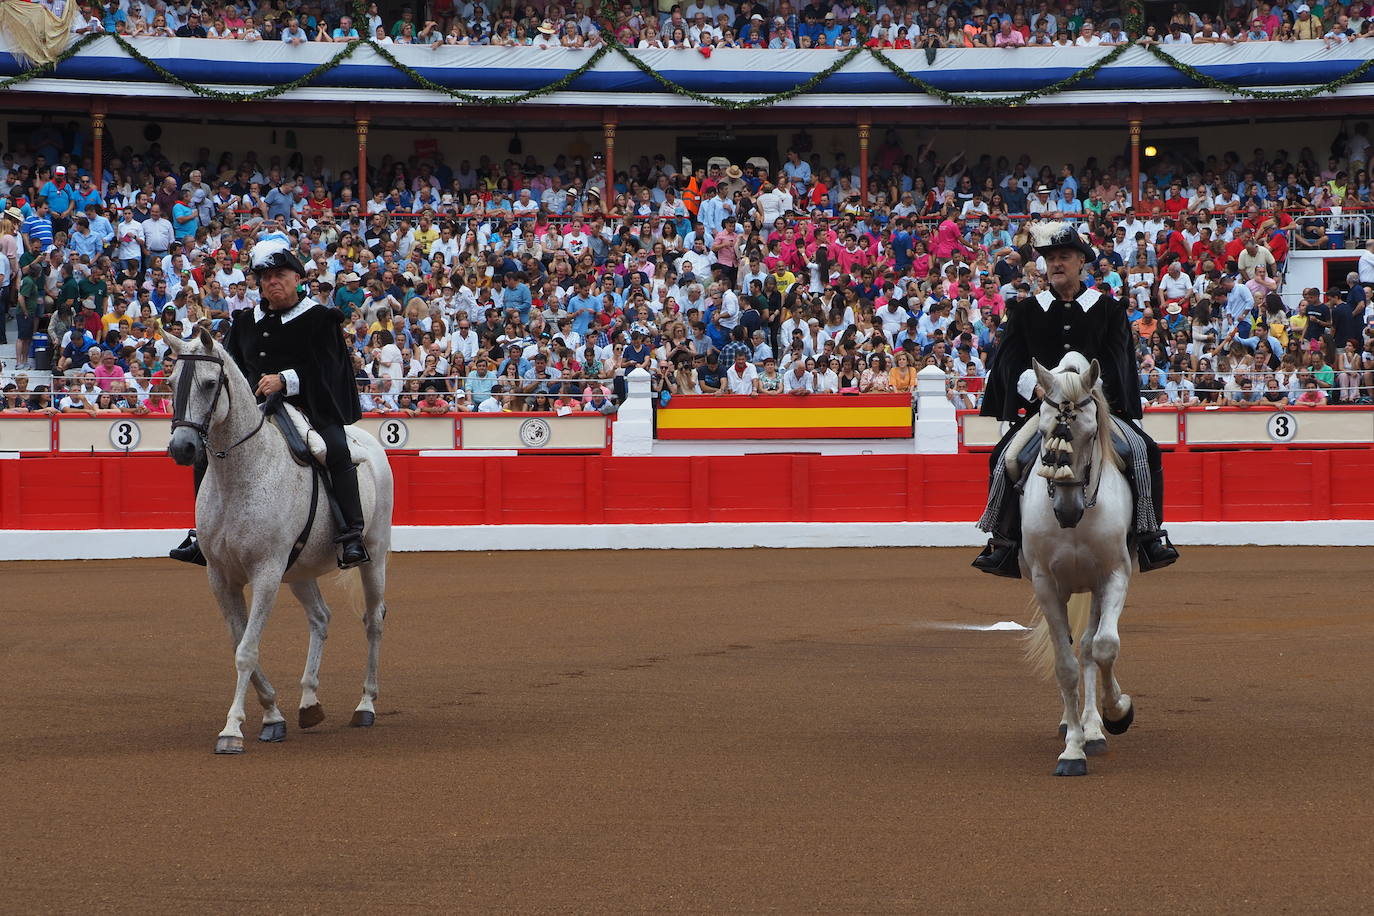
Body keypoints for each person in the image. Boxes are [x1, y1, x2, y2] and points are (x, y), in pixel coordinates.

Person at [972, 222, 1179, 578]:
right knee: (1004, 458)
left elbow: (1117, 361)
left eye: (1064, 257)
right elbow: (1008, 359)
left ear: (1081, 262)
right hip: (1046, 410)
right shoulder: (1025, 310)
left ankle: (1148, 535)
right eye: (1050, 258)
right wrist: (1034, 386)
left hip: (1094, 412)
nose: (1056, 264)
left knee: (1146, 452)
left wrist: (1092, 394)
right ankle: (1003, 542)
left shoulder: (1108, 309)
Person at [170, 240, 368, 568]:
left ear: (297, 279)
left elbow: (332, 369)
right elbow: (232, 369)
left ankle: (351, 534)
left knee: (334, 447)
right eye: (265, 277)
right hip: (255, 408)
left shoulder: (321, 318)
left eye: (279, 275)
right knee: (207, 451)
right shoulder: (246, 321)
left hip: (308, 406)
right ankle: (202, 536)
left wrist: (286, 379)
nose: (272, 281)